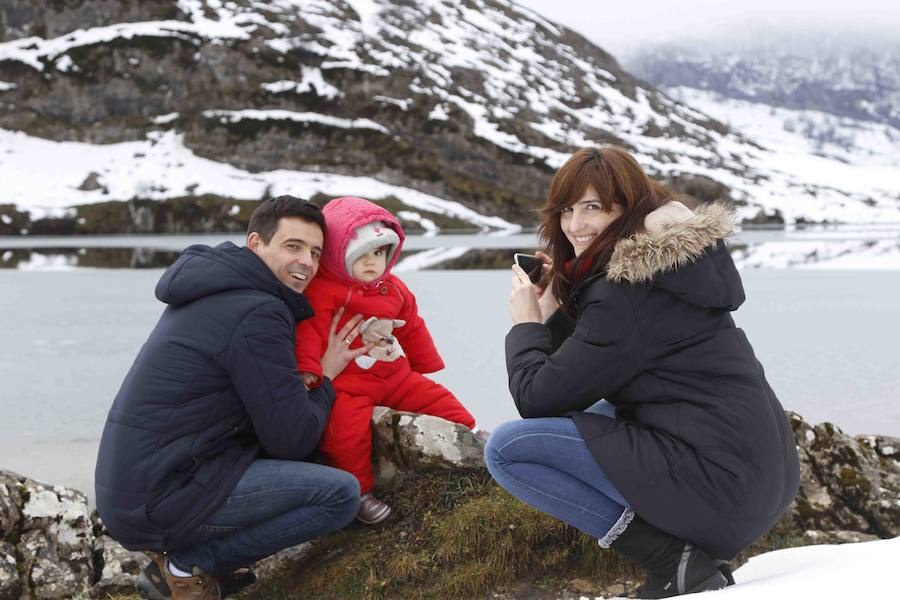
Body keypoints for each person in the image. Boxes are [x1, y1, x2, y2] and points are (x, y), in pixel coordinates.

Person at [484, 147, 800, 598]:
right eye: (567, 210)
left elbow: (535, 398)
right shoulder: (671, 270)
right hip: (760, 483)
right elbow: (588, 373)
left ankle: (671, 560)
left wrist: (528, 324)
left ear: (628, 207)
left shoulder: (625, 293)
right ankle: (686, 549)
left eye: (593, 207)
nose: (575, 226)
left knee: (509, 448)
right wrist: (555, 308)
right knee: (592, 410)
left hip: (723, 492)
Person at [95, 196, 375, 600]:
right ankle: (186, 567)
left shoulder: (214, 287)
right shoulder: (259, 310)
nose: (307, 263)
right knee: (339, 494)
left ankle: (198, 568)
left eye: (315, 252)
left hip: (137, 489)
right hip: (161, 497)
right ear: (255, 244)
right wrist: (326, 378)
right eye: (293, 246)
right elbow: (292, 439)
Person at [294, 196, 487, 524]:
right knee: (345, 434)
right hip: (349, 385)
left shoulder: (394, 288)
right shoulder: (322, 291)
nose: (372, 263)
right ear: (336, 255)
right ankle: (358, 493)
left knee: (435, 396)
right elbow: (308, 332)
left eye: (380, 253)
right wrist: (309, 372)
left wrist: (424, 362)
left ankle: (473, 432)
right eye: (361, 255)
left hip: (395, 376)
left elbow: (412, 325)